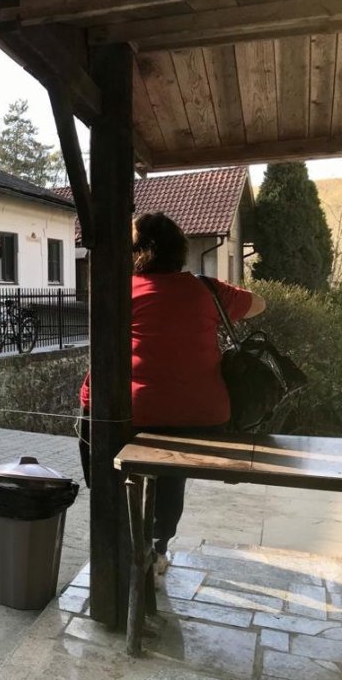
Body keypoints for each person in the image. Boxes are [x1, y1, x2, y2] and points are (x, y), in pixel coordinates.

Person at [79, 212, 266, 573]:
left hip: (133, 417)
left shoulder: (121, 290)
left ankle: (115, 516)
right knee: (171, 467)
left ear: (137, 251)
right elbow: (259, 304)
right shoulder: (207, 290)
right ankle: (158, 546)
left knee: (93, 410)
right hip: (203, 421)